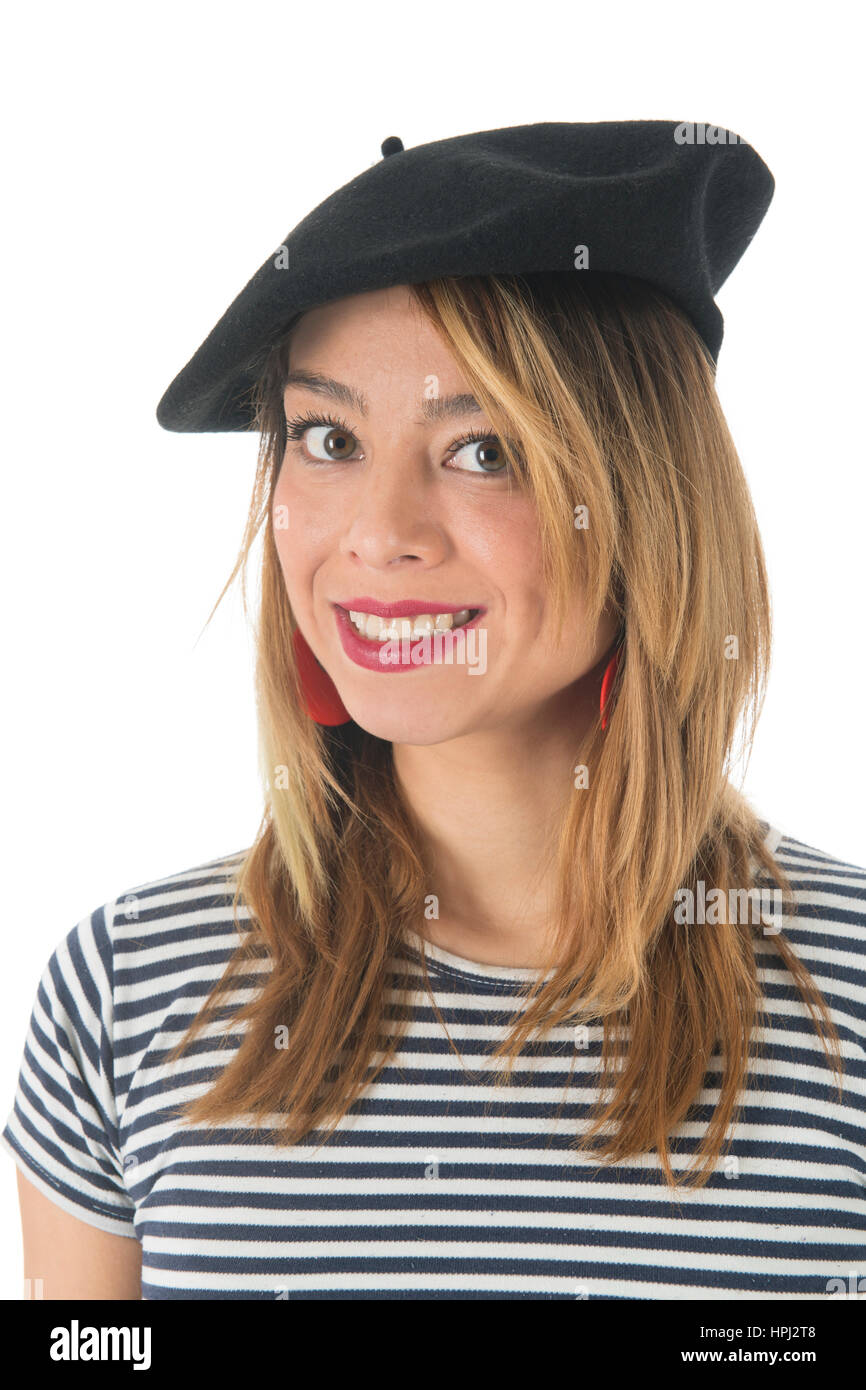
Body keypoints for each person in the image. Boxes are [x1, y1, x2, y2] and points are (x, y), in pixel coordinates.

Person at [3, 126, 864, 1301]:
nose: (378, 532)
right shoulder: (126, 996)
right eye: (328, 439)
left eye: (481, 447)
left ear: (643, 499)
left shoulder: (844, 999)